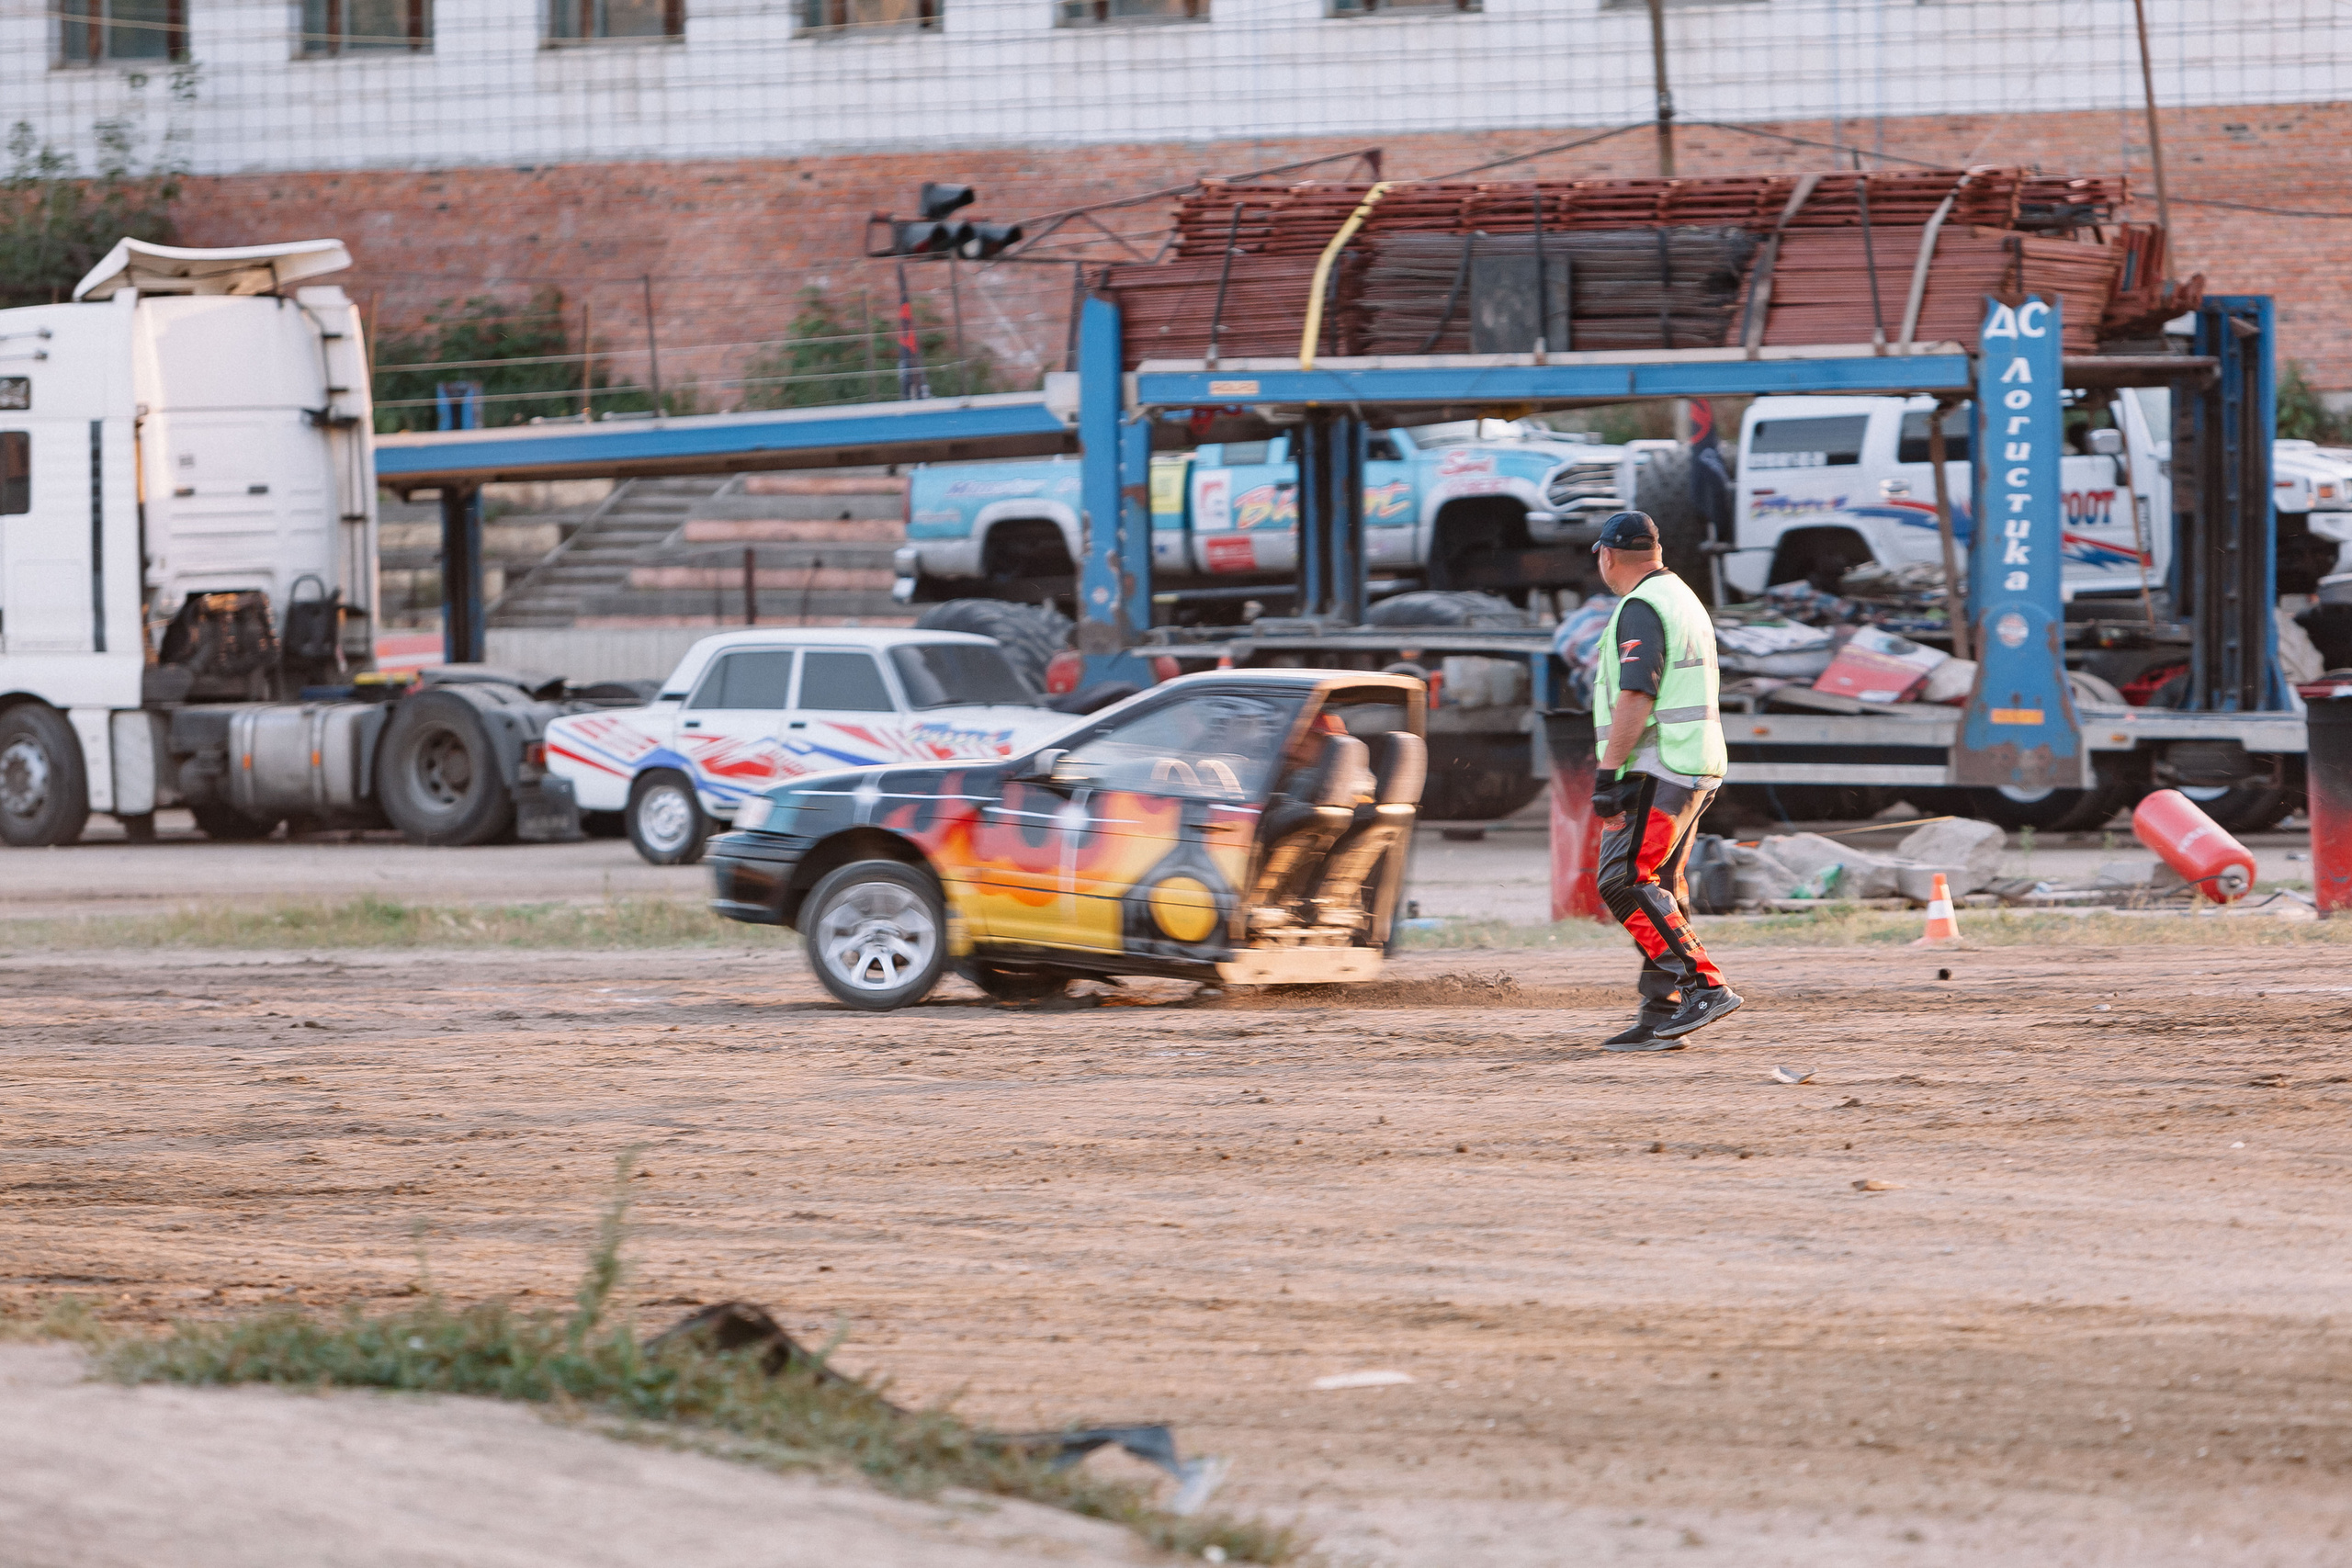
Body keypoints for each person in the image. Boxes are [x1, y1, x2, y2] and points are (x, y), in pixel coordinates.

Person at [1586, 510, 1741, 1052]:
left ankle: (1704, 985)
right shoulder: (1681, 596)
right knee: (1663, 886)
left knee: (1624, 879)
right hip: (1696, 760)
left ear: (1607, 556)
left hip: (1660, 764)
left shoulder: (1641, 606)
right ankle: (1661, 1014)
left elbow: (1636, 694)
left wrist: (1607, 772)